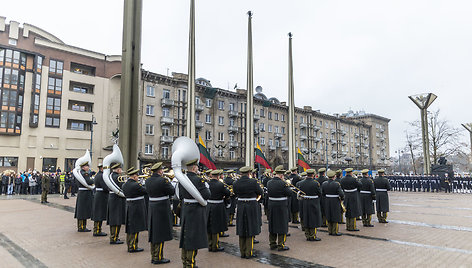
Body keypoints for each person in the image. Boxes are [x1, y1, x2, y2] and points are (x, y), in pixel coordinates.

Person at [179, 159, 210, 268]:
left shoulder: (182, 179)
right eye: (197, 167)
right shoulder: (198, 180)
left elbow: (180, 195)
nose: (198, 169)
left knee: (186, 236)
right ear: (194, 168)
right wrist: (206, 186)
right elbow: (207, 194)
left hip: (186, 208)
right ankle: (190, 263)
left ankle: (185, 262)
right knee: (193, 238)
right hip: (196, 210)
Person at [146, 162, 174, 265]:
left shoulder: (147, 180)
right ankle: (158, 257)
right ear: (160, 171)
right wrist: (169, 181)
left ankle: (154, 255)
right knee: (160, 233)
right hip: (161, 208)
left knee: (154, 233)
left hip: (152, 207)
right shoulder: (163, 180)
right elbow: (172, 191)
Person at [233, 166, 263, 259]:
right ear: (249, 173)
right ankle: (248, 252)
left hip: (241, 205)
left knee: (242, 228)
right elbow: (260, 192)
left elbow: (235, 193)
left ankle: (242, 252)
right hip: (251, 206)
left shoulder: (236, 183)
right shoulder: (253, 182)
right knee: (250, 228)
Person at [267, 165, 292, 251]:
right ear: (281, 175)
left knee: (273, 224)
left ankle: (272, 243)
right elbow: (289, 194)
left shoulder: (269, 182)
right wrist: (288, 186)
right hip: (281, 206)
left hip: (272, 205)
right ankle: (281, 245)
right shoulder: (283, 183)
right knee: (282, 224)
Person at [122, 168, 147, 253]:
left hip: (129, 206)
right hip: (136, 206)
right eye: (137, 176)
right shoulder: (136, 185)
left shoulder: (125, 185)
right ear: (134, 176)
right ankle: (133, 246)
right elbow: (145, 191)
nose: (138, 178)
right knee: (135, 227)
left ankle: (129, 245)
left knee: (130, 227)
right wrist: (143, 183)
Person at [206, 169, 231, 252]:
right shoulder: (220, 184)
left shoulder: (207, 184)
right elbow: (227, 193)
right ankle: (215, 245)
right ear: (218, 176)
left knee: (209, 225)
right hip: (218, 206)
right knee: (216, 227)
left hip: (209, 205)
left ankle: (209, 244)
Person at [296, 169, 322, 241]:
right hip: (313, 202)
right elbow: (319, 193)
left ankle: (307, 235)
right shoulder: (315, 183)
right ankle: (312, 235)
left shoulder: (301, 183)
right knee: (313, 219)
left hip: (305, 202)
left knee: (306, 218)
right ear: (313, 175)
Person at [108, 163, 126, 244]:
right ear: (118, 170)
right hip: (117, 198)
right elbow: (123, 187)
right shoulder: (118, 177)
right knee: (116, 219)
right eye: (120, 169)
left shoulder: (110, 176)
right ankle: (114, 238)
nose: (121, 171)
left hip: (112, 198)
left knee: (113, 218)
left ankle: (113, 237)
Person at [322, 170, 345, 236]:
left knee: (329, 215)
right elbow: (341, 194)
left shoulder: (324, 184)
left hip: (327, 200)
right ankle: (335, 231)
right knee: (335, 216)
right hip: (335, 201)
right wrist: (342, 199)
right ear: (334, 176)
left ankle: (330, 230)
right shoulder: (336, 184)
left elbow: (322, 193)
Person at [74, 161, 94, 232]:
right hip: (84, 193)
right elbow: (89, 181)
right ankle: (82, 227)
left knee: (81, 210)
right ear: (83, 167)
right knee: (83, 210)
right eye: (87, 166)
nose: (88, 168)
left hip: (82, 193)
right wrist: (93, 180)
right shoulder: (84, 174)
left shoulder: (79, 173)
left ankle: (81, 226)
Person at [91, 164, 108, 236]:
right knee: (99, 214)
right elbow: (104, 187)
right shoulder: (101, 176)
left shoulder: (98, 175)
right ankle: (97, 230)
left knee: (98, 213)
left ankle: (97, 230)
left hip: (99, 195)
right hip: (101, 195)